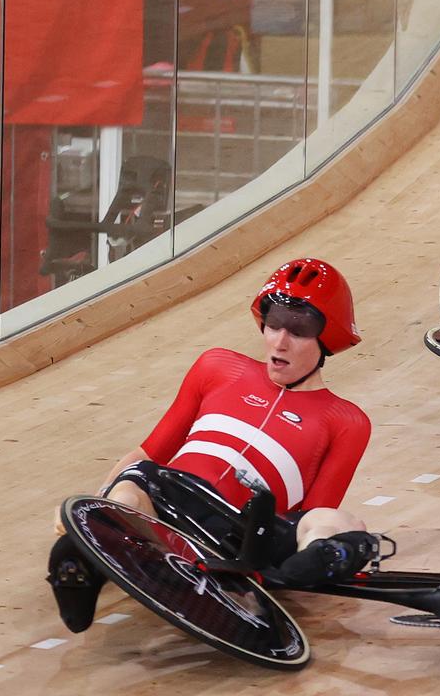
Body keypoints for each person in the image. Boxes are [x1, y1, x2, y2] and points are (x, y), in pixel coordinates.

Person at [48, 258, 378, 633]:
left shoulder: (347, 420)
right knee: (133, 484)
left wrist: (312, 539)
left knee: (335, 521)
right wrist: (94, 503)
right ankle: (86, 558)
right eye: (273, 325)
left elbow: (314, 510)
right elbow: (147, 454)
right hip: (174, 501)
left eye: (299, 330)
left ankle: (305, 570)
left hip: (249, 529)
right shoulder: (216, 366)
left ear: (327, 339)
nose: (280, 341)